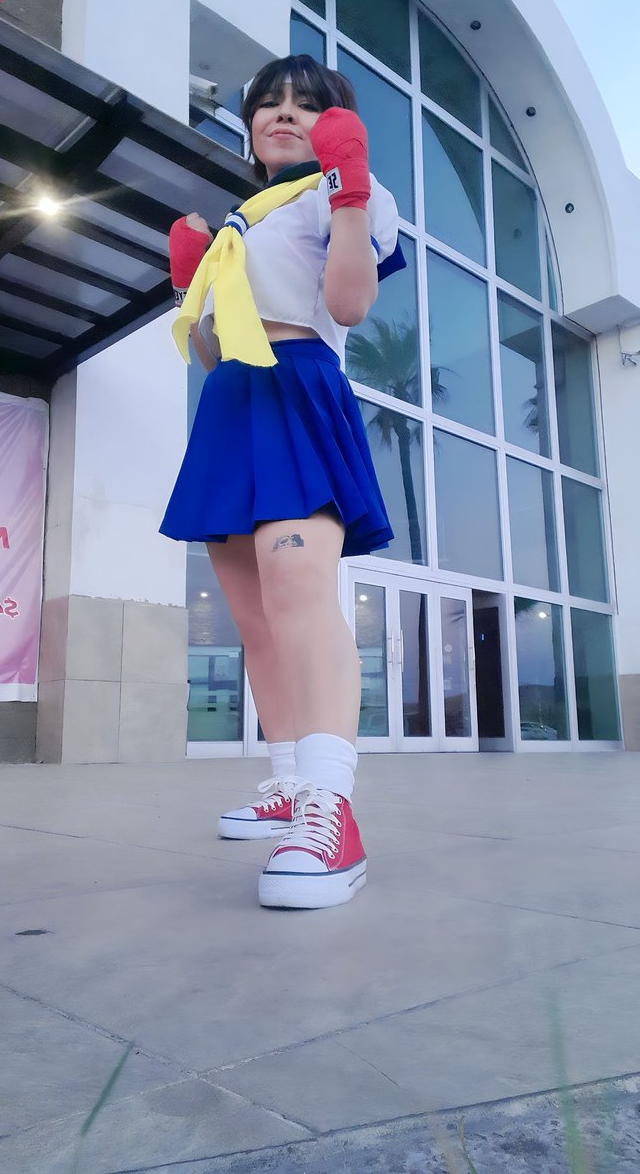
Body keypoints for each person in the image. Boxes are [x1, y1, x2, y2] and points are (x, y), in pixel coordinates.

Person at [161, 54, 401, 911]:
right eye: (268, 103)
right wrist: (188, 281)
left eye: (306, 102)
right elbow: (212, 351)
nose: (284, 113)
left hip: (299, 381)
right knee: (255, 619)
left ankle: (331, 807)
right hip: (233, 399)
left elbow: (349, 306)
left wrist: (347, 191)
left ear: (336, 120)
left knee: (299, 589)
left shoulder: (346, 193)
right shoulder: (242, 220)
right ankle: (289, 784)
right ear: (250, 126)